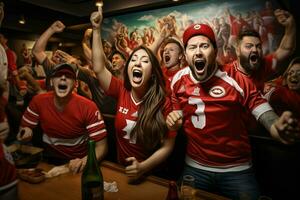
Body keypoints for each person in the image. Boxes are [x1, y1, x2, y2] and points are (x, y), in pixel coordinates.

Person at [166, 23, 300, 200]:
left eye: (204, 46)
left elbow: (265, 114)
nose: (198, 52)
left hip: (237, 171)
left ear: (215, 51)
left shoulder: (237, 79)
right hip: (195, 167)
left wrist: (278, 126)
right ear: (186, 55)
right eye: (192, 47)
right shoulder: (177, 80)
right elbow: (176, 118)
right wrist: (173, 121)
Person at [91, 9, 176, 182]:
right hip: (121, 171)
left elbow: (168, 146)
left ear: (152, 73)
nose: (138, 62)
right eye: (134, 59)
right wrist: (96, 30)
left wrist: (143, 167)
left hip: (152, 175)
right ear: (129, 69)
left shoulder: (162, 101)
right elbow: (99, 68)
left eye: (144, 61)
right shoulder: (122, 89)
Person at [17, 63, 108, 173]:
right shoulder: (38, 101)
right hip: (48, 161)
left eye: (69, 76)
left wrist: (84, 161)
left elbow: (102, 147)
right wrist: (25, 132)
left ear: (75, 84)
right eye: (58, 75)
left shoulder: (88, 107)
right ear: (51, 81)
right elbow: (24, 129)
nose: (63, 77)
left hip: (77, 163)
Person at [32, 20, 117, 115]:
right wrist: (51, 29)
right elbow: (37, 52)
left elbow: (97, 61)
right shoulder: (57, 69)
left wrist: (85, 42)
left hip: (90, 116)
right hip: (55, 114)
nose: (63, 78)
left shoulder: (107, 72)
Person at [235, 9, 296, 92]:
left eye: (258, 46)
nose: (255, 50)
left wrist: (290, 25)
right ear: (238, 51)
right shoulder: (226, 73)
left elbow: (286, 49)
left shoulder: (262, 65)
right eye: (249, 46)